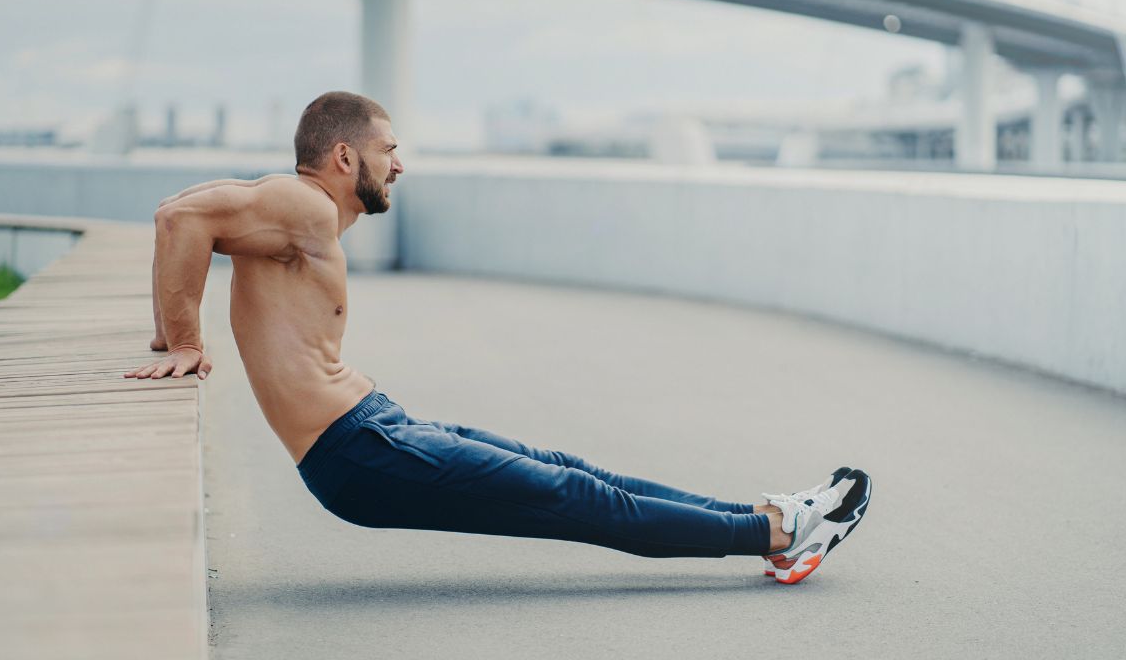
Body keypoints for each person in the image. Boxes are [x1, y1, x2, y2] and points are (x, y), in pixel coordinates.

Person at [125, 91, 872, 584]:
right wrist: (185, 339)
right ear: (345, 157)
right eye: (388, 149)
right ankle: (779, 536)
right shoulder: (303, 204)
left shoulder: (287, 214)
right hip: (356, 452)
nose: (400, 163)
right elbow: (179, 218)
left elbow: (182, 211)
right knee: (574, 496)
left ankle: (764, 517)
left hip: (373, 428)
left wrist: (169, 329)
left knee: (566, 468)